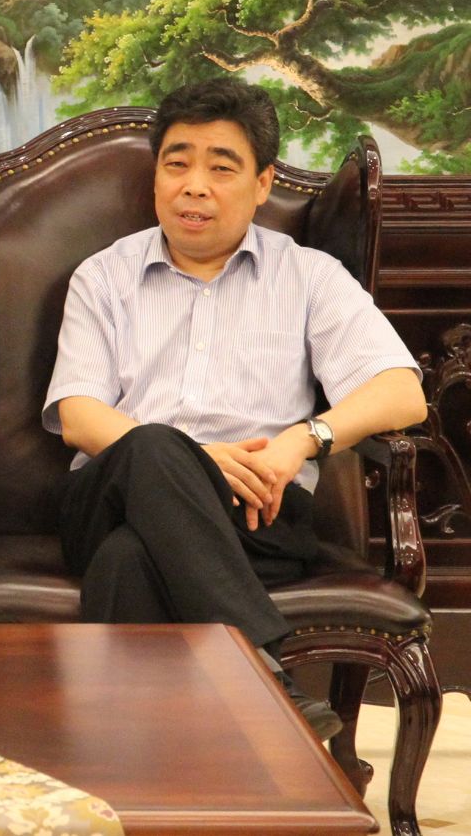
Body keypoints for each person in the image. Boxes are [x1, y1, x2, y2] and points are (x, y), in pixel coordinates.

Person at [43, 77, 427, 741]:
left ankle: (134, 768)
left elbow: (402, 391)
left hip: (258, 511)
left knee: (128, 560)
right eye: (177, 164)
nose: (194, 187)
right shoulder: (103, 276)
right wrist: (195, 461)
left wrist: (301, 440)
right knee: (155, 445)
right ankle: (266, 676)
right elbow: (78, 414)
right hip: (110, 494)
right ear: (156, 176)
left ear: (262, 183)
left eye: (221, 168)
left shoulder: (307, 277)